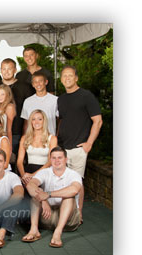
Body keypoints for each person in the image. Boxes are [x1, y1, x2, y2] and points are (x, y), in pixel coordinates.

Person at [57, 65, 102, 214]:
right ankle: (67, 212)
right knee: (64, 181)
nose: (67, 78)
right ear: (61, 79)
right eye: (64, 76)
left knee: (76, 182)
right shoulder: (61, 99)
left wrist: (89, 143)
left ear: (76, 78)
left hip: (78, 148)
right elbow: (62, 121)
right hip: (63, 148)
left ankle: (78, 212)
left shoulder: (86, 96)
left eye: (70, 75)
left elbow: (98, 121)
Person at [22, 147, 83, 248]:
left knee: (68, 197)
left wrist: (48, 194)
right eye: (53, 158)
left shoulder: (73, 174)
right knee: (35, 197)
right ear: (50, 160)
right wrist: (43, 199)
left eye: (60, 158)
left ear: (66, 159)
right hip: (48, 216)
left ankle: (57, 233)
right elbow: (30, 185)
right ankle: (34, 230)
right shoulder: (45, 172)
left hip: (68, 220)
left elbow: (74, 190)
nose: (57, 161)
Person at [0, 59, 33, 157]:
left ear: (15, 70)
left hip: (16, 133)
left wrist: (25, 134)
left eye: (9, 69)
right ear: (0, 70)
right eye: (4, 69)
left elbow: (29, 112)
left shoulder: (25, 87)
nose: (6, 72)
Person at [17, 110, 57, 186]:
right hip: (27, 171)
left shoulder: (52, 138)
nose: (36, 122)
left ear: (44, 121)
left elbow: (50, 161)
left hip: (44, 171)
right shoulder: (24, 138)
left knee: (35, 189)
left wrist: (33, 175)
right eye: (33, 119)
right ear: (30, 122)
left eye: (39, 119)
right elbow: (19, 161)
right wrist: (23, 176)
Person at [20, 71, 59, 135]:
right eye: (35, 82)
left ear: (46, 82)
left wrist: (56, 137)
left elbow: (59, 121)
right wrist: (24, 139)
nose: (38, 84)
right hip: (32, 140)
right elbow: (26, 123)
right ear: (32, 84)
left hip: (50, 139)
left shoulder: (55, 100)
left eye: (40, 81)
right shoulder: (28, 101)